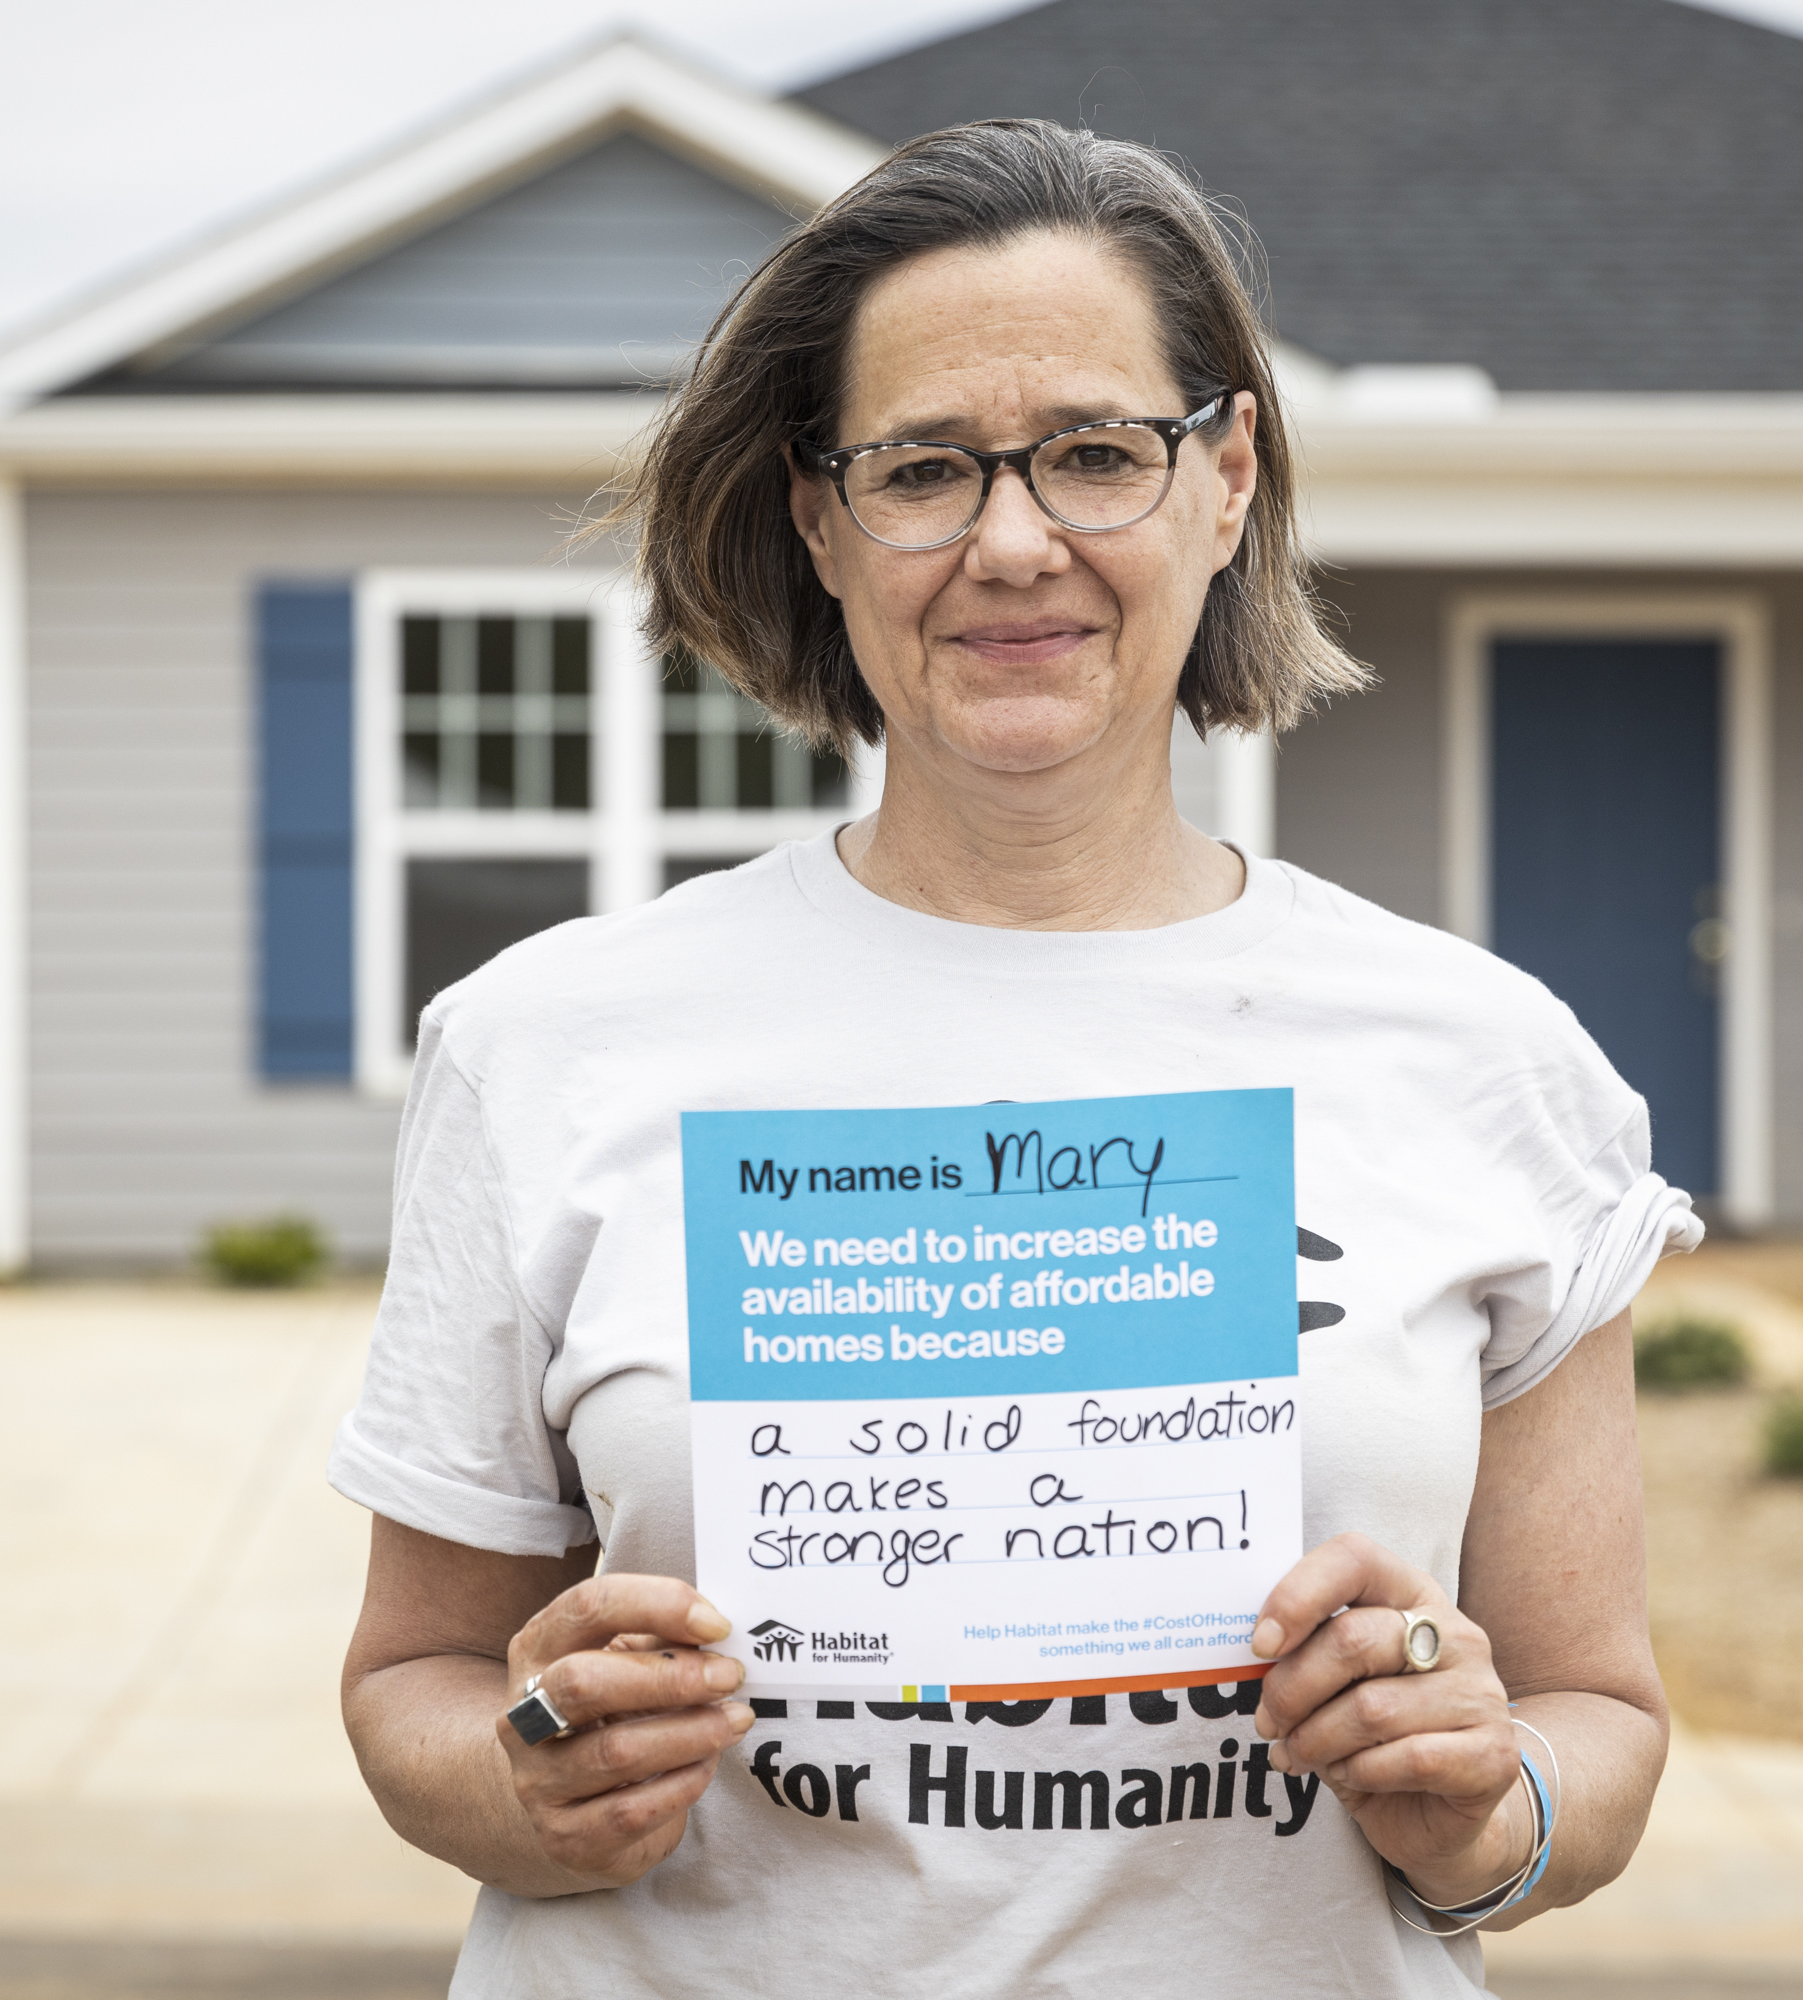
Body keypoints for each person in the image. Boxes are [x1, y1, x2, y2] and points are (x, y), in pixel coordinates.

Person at [331, 118, 1697, 1995]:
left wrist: (1490, 1805)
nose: (1012, 542)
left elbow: (1595, 1725)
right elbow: (415, 1679)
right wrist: (528, 1770)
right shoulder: (546, 1042)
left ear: (1226, 481)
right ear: (821, 523)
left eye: (1094, 453)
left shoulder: (1478, 1055)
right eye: (922, 470)